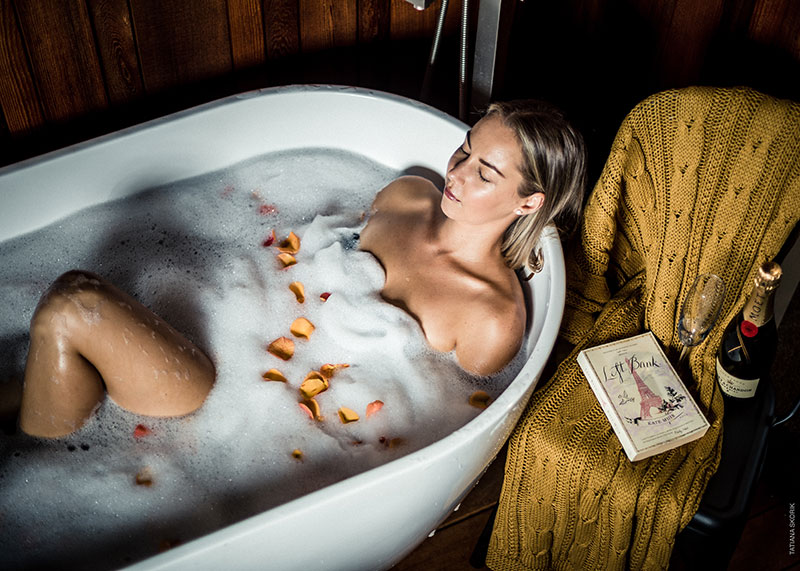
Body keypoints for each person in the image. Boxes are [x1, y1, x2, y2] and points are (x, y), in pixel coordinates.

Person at [18, 100, 586, 438]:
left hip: (228, 394)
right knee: (69, 316)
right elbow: (295, 262)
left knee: (75, 305)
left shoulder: (489, 321)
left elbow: (424, 421)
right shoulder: (409, 196)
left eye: (485, 172)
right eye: (464, 149)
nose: (457, 173)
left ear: (528, 203)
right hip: (219, 315)